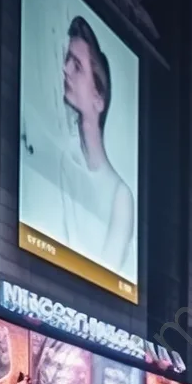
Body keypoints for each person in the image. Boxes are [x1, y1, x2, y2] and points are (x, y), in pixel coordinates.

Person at [60, 16, 135, 274]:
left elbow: (109, 272)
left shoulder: (121, 196)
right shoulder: (63, 159)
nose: (66, 70)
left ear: (98, 99)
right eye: (67, 60)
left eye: (77, 66)